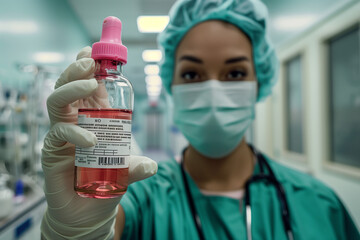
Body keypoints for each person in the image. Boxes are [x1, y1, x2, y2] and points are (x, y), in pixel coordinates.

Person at [41, 0, 360, 239]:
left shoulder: (320, 204)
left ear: (259, 81)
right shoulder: (139, 193)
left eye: (235, 73)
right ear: (171, 86)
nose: (213, 91)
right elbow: (110, 224)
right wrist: (76, 232)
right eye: (192, 73)